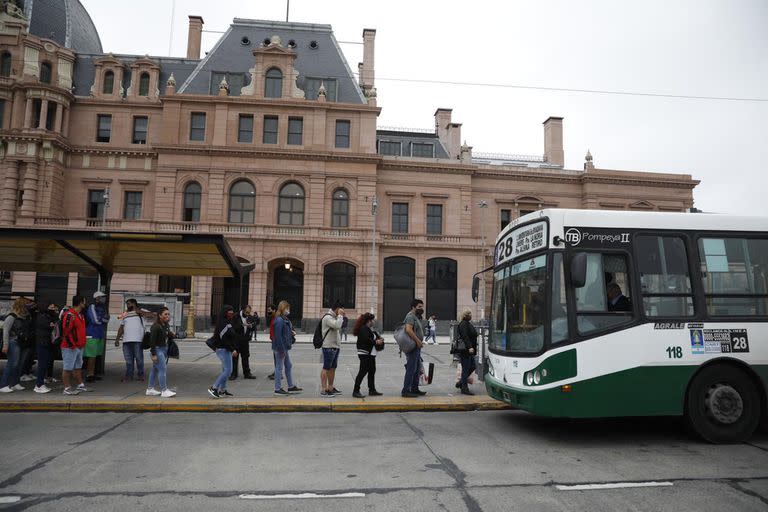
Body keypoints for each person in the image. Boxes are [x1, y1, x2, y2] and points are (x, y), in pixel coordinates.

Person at [0, 298, 33, 393]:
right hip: (13, 342)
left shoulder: (25, 316)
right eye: (26, 304)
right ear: (21, 305)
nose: (28, 306)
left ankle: (15, 383)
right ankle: (3, 385)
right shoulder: (12, 316)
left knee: (19, 364)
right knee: (12, 363)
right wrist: (5, 345)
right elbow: (6, 331)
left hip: (21, 342)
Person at [208, 305, 241, 398]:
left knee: (225, 370)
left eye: (232, 312)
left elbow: (232, 335)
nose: (232, 314)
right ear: (225, 313)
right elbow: (224, 340)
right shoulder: (223, 323)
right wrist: (232, 349)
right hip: (223, 349)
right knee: (228, 371)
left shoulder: (228, 322)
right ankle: (214, 388)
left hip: (226, 349)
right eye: (230, 312)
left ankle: (222, 390)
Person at [114, 299, 151, 382]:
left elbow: (152, 315)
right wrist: (117, 339)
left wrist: (140, 312)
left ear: (134, 304)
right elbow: (121, 327)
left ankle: (141, 375)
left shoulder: (141, 311)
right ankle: (129, 376)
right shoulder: (125, 314)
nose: (127, 305)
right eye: (127, 304)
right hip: (126, 341)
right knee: (128, 360)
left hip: (138, 340)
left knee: (139, 359)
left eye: (129, 304)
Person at [60, 295, 89, 395]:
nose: (85, 304)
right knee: (67, 368)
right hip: (70, 347)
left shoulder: (80, 315)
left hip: (79, 346)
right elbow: (66, 332)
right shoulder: (70, 315)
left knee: (78, 367)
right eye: (84, 302)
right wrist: (72, 345)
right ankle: (66, 388)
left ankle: (80, 385)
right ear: (80, 303)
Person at [271, 300, 302, 395]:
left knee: (288, 366)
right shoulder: (280, 320)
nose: (288, 310)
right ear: (282, 308)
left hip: (285, 347)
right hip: (280, 348)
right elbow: (278, 336)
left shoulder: (284, 319)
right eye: (286, 308)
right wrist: (281, 349)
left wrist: (291, 332)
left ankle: (290, 386)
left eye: (288, 308)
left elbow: (284, 332)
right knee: (279, 368)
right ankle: (277, 388)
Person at [146, 306, 176, 398]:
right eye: (165, 314)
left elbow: (167, 335)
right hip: (158, 350)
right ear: (160, 316)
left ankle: (150, 389)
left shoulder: (165, 325)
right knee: (162, 370)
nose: (168, 316)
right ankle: (164, 390)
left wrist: (172, 334)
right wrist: (154, 354)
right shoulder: (155, 327)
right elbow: (152, 342)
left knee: (154, 370)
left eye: (168, 314)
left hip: (163, 350)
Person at [352, 313, 383, 398]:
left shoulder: (368, 329)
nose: (374, 321)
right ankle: (356, 391)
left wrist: (378, 339)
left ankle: (372, 390)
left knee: (372, 371)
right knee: (362, 372)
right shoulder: (364, 328)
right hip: (364, 353)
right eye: (372, 320)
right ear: (369, 321)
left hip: (370, 354)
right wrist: (376, 342)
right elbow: (366, 339)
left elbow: (370, 338)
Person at [401, 299, 427, 398]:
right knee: (411, 369)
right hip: (413, 346)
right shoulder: (410, 316)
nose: (421, 309)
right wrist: (418, 341)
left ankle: (414, 389)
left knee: (416, 369)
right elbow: (408, 329)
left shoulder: (415, 317)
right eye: (419, 307)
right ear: (413, 307)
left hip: (416, 346)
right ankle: (406, 391)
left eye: (422, 306)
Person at [320, 300, 345, 396]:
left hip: (335, 346)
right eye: (341, 309)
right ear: (337, 309)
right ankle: (323, 389)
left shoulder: (335, 317)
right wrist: (340, 316)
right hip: (328, 347)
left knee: (333, 368)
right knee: (326, 367)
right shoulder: (327, 317)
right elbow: (337, 325)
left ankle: (330, 387)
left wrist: (340, 316)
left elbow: (341, 324)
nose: (343, 311)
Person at [32, 301, 58, 394]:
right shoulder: (42, 317)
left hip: (46, 343)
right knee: (42, 365)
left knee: (44, 364)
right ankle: (39, 385)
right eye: (50, 308)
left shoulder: (47, 316)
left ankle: (41, 383)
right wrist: (51, 325)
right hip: (43, 343)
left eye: (53, 308)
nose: (53, 309)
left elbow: (54, 322)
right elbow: (50, 326)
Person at [84, 291, 110, 383]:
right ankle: (89, 375)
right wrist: (102, 319)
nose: (103, 299)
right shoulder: (92, 306)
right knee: (91, 356)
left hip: (99, 334)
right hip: (92, 334)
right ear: (97, 298)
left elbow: (107, 319)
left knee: (96, 356)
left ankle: (93, 374)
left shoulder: (103, 307)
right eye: (101, 297)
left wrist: (102, 319)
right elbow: (95, 320)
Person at [455, 309, 479, 395]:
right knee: (466, 369)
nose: (470, 315)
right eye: (468, 314)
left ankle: (461, 382)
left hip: (469, 350)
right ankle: (464, 388)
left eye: (470, 313)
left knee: (472, 366)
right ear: (464, 315)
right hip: (465, 350)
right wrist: (469, 347)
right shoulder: (463, 324)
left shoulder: (467, 323)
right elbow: (465, 336)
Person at [231, 305, 255, 380]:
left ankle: (247, 373)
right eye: (247, 312)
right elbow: (233, 327)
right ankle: (234, 374)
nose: (248, 314)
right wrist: (242, 325)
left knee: (245, 357)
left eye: (249, 312)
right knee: (235, 358)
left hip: (245, 340)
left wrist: (251, 326)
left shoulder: (250, 317)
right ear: (243, 310)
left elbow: (254, 326)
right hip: (236, 340)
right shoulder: (236, 316)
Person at [265, 304, 276, 380]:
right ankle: (277, 372)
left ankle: (278, 373)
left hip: (276, 341)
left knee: (278, 359)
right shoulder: (272, 318)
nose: (268, 312)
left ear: (274, 310)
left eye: (269, 310)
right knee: (276, 358)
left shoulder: (277, 318)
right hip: (274, 340)